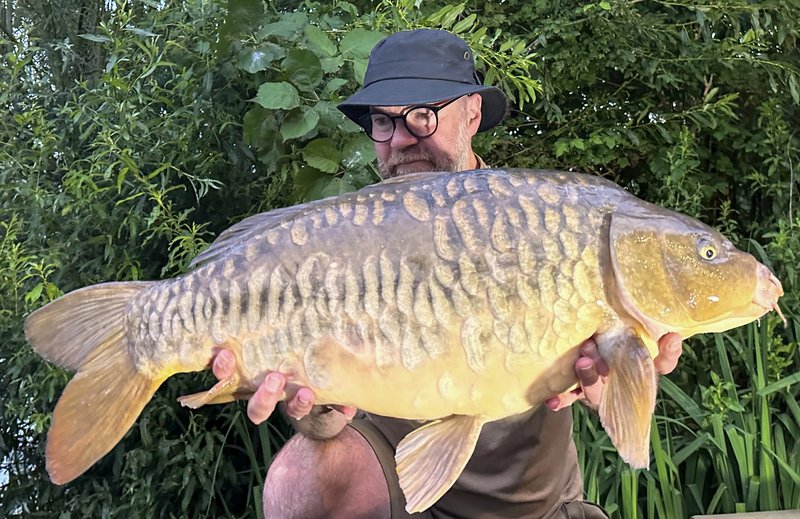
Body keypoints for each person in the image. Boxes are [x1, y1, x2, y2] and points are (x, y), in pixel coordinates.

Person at [212, 29, 684, 518]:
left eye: (422, 114)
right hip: (392, 480)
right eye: (383, 121)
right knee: (297, 481)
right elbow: (327, 422)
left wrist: (609, 382)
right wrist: (318, 408)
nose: (401, 139)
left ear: (473, 113)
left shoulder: (544, 222)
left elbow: (607, 383)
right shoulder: (339, 243)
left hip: (528, 502)